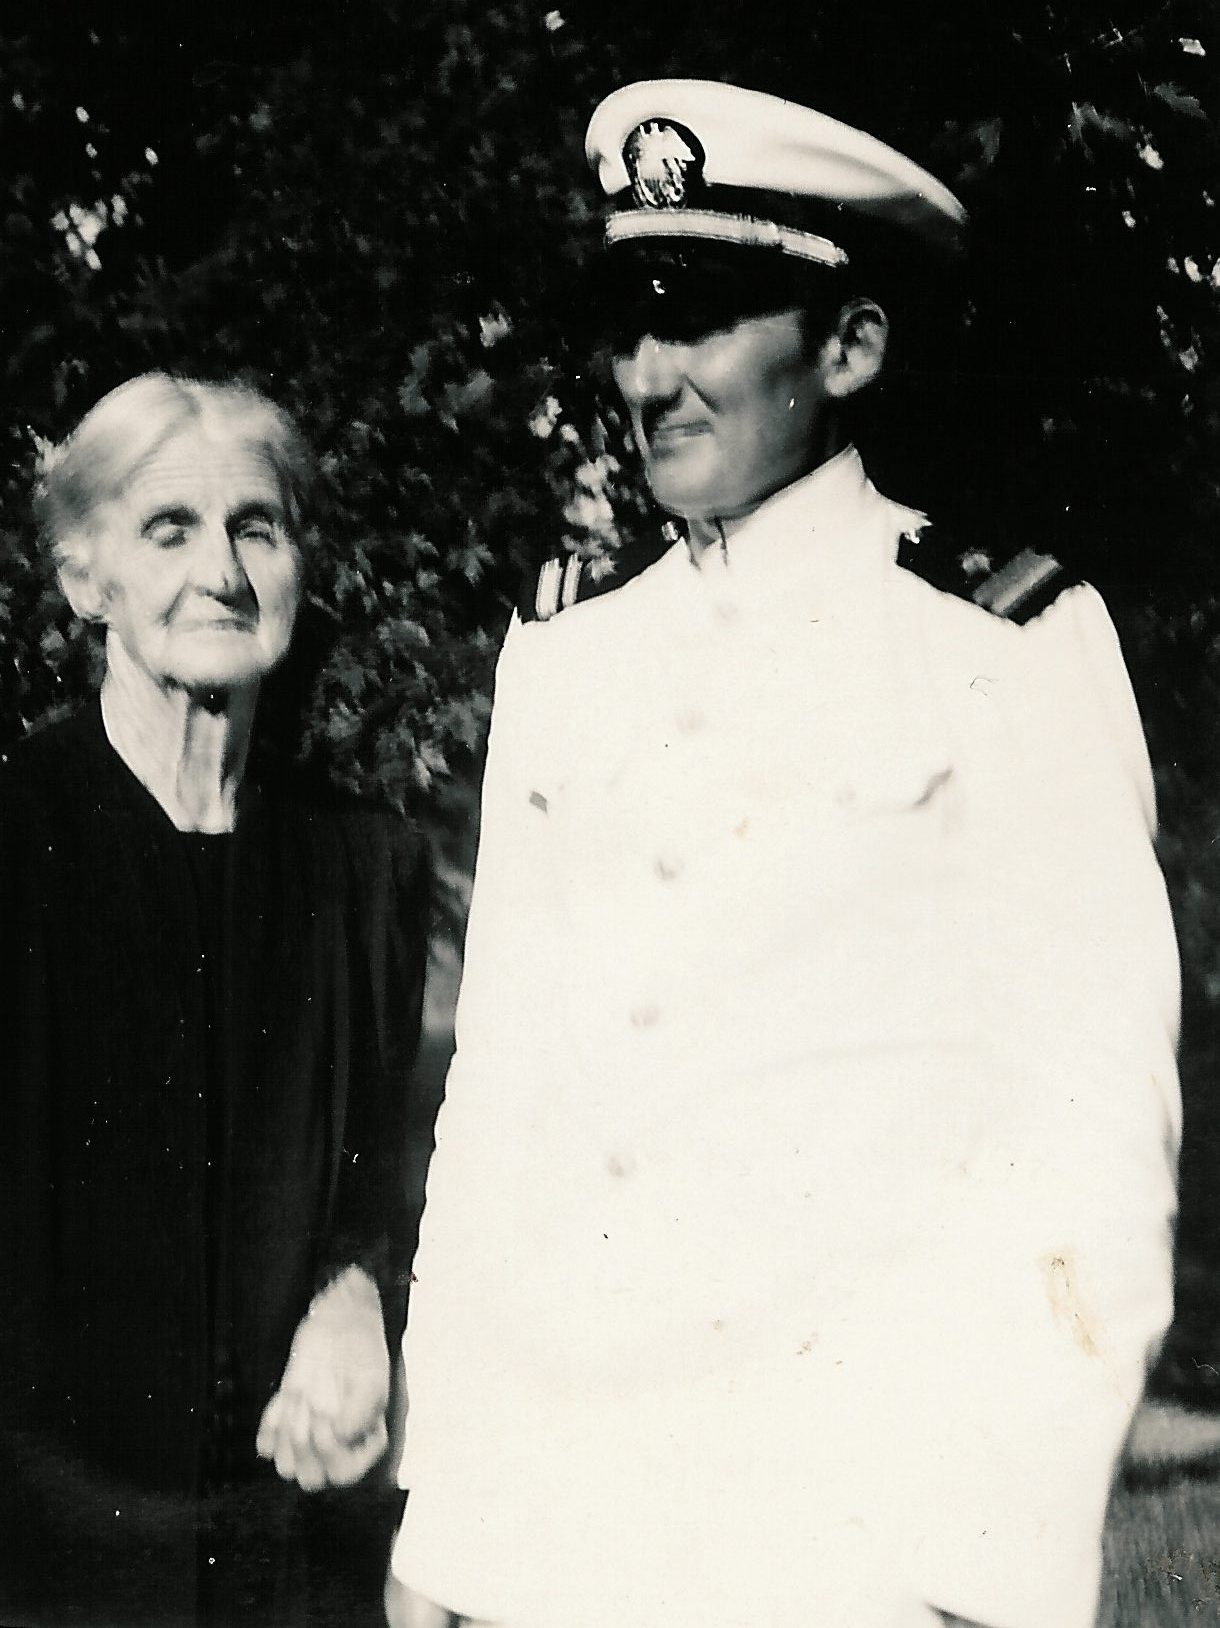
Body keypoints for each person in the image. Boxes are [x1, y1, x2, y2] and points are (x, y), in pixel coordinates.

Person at [386, 82, 1181, 1628]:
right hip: (565, 1517)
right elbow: (503, 1107)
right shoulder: (564, 650)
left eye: (705, 319)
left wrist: (989, 1566)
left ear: (851, 348)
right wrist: (452, 1514)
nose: (650, 373)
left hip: (848, 1534)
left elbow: (1092, 1143)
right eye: (628, 323)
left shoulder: (1000, 640)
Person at [0, 373, 429, 1626]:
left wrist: (354, 1296)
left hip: (293, 1560)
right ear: (89, 580)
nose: (223, 572)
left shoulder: (366, 868)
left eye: (258, 525)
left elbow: (375, 1186)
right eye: (168, 529)